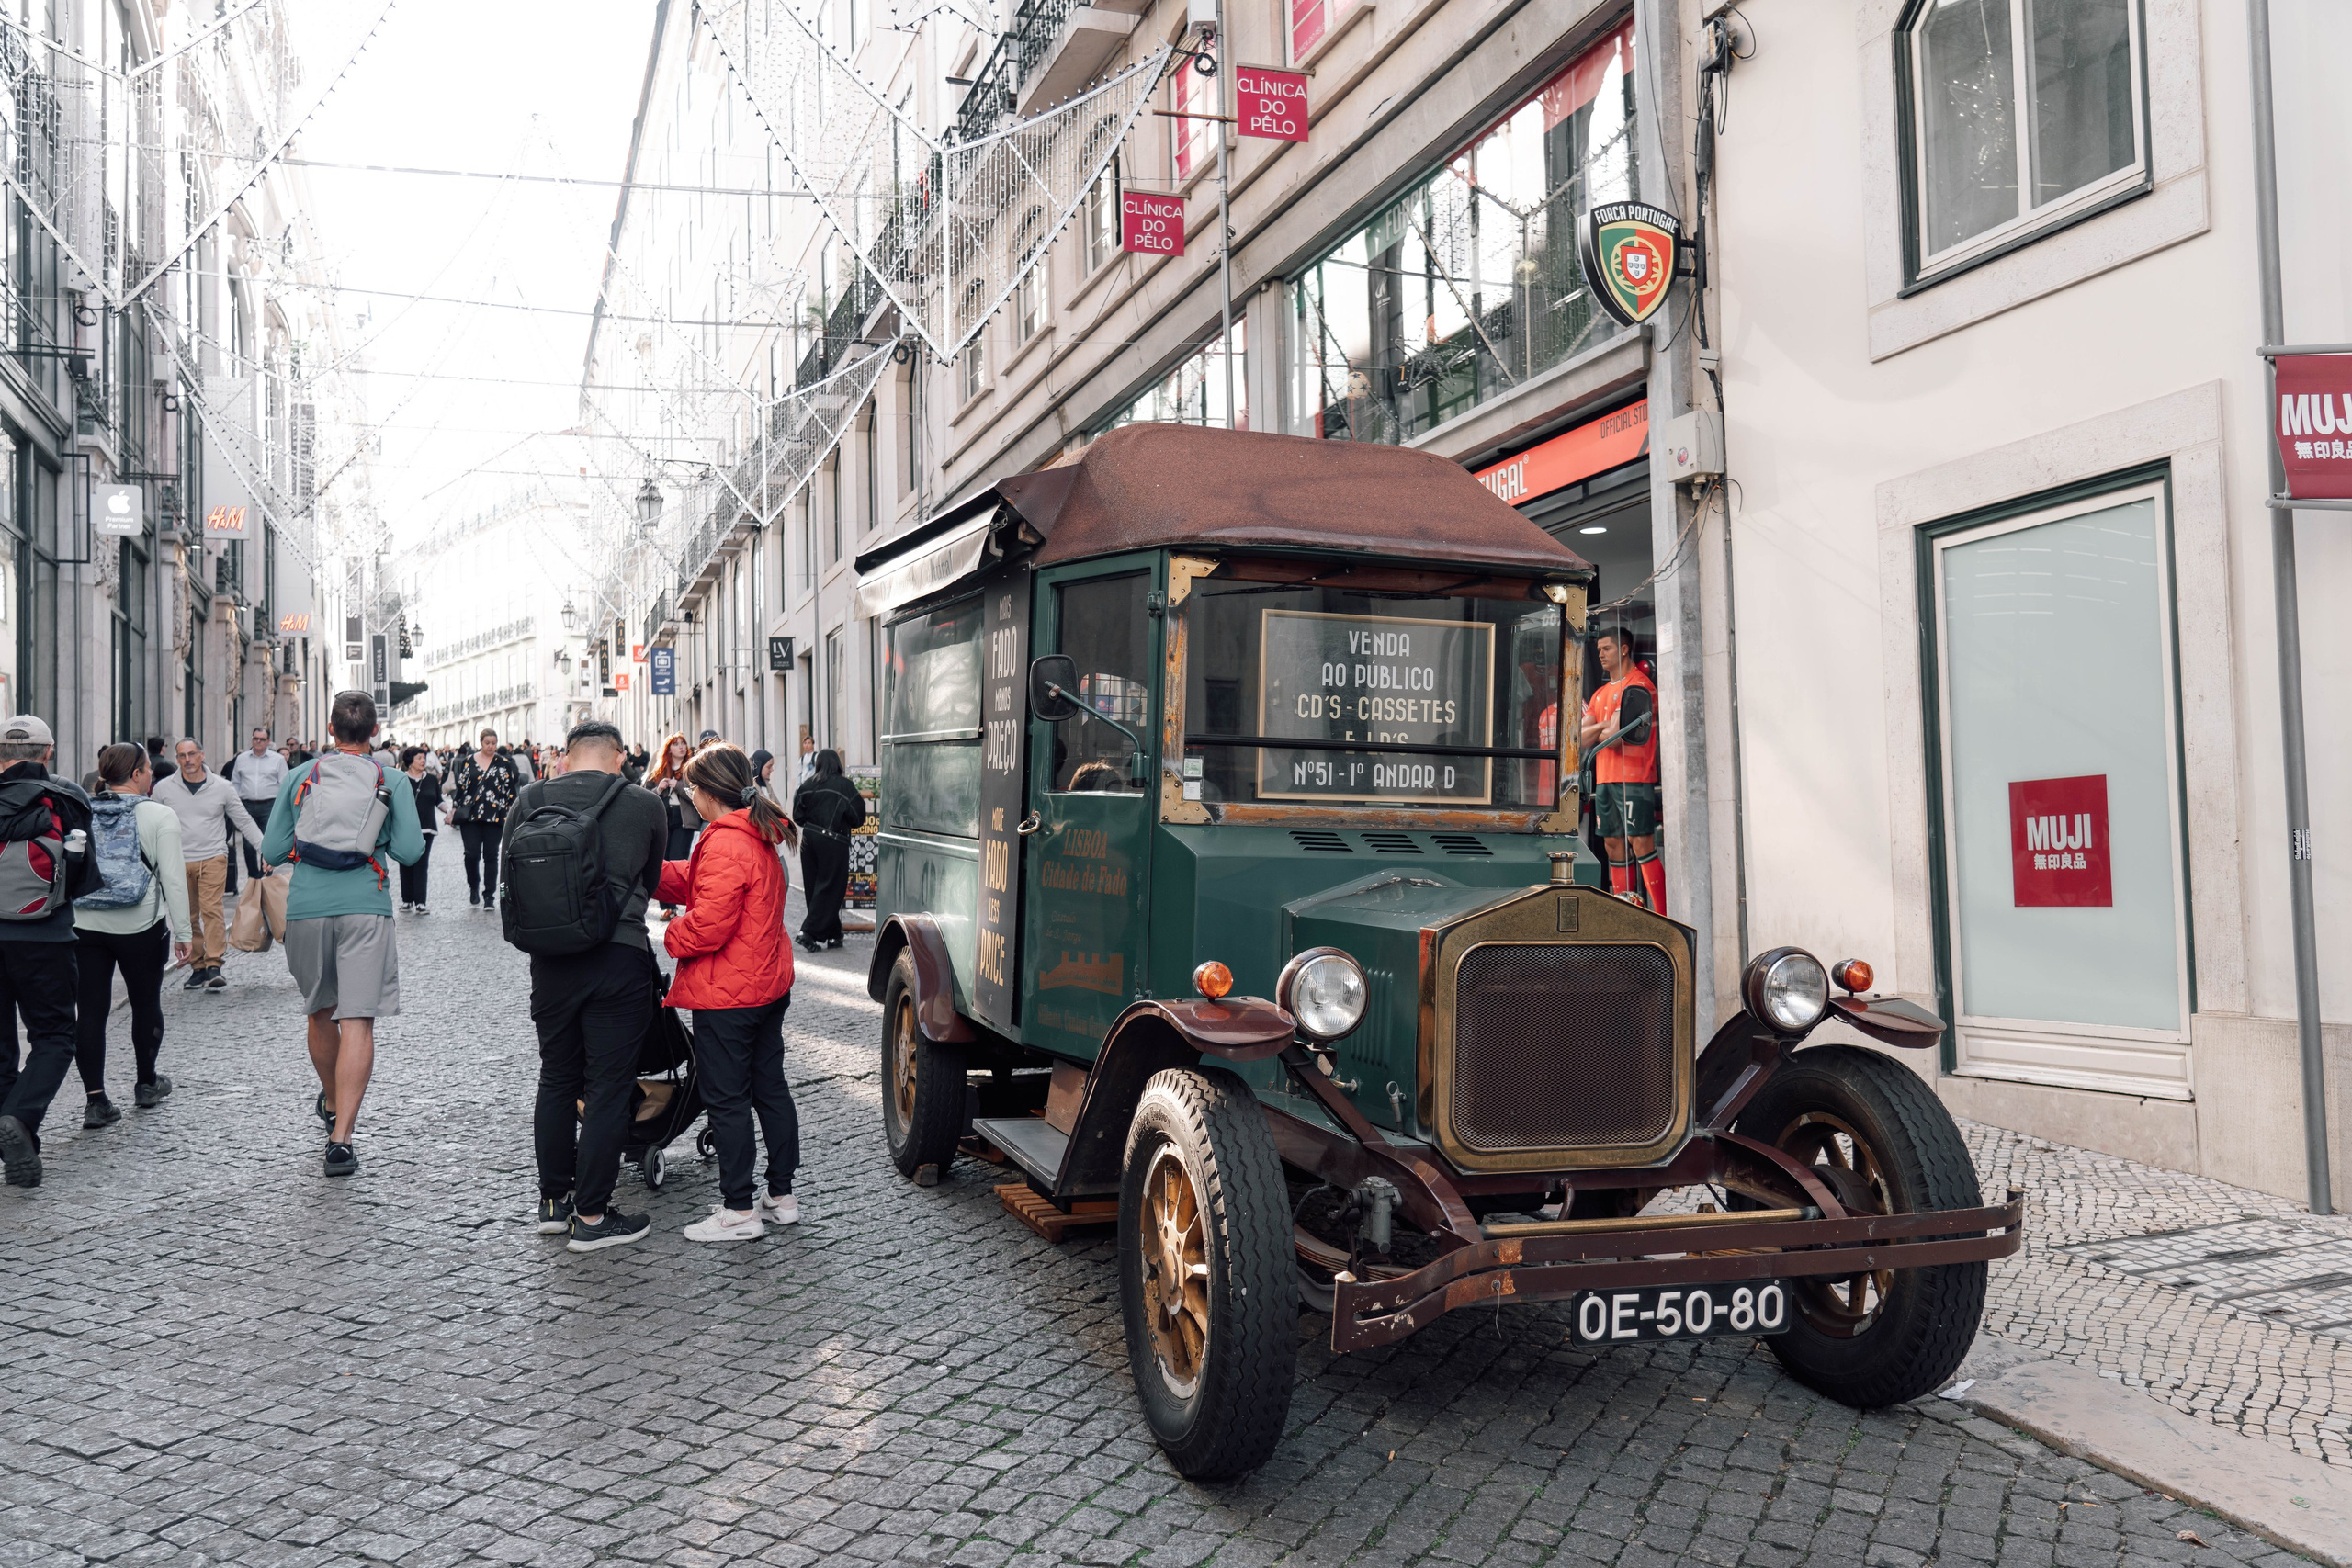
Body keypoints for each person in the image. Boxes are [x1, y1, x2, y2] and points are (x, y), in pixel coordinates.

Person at [506, 719, 669, 1253]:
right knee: (607, 1086)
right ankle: (594, 1216)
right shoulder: (644, 804)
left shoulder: (528, 800)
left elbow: (511, 880)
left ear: (567, 757)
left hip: (551, 962)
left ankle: (554, 1204)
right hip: (618, 956)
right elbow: (650, 879)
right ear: (619, 756)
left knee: (556, 1078)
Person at [263, 690, 425, 1178]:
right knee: (358, 1020)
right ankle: (341, 1141)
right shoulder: (392, 779)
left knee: (320, 1011)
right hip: (365, 906)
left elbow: (272, 849)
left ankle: (332, 1101)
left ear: (331, 729)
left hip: (307, 907)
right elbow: (410, 851)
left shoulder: (300, 776)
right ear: (375, 731)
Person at [658, 742, 799, 1241]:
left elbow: (708, 927)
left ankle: (739, 1211)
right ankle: (781, 1196)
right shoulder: (753, 831)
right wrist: (651, 874)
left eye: (691, 788)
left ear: (707, 792)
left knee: (728, 1099)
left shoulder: (724, 840)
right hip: (764, 985)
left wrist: (670, 933)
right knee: (769, 1089)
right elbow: (699, 881)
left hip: (729, 994)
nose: (689, 796)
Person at [0, 715, 98, 1188]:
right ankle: (19, 1121)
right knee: (55, 1035)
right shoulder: (66, 797)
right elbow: (83, 873)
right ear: (49, 752)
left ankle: (15, 1137)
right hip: (46, 935)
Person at [72, 743, 193, 1127]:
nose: (152, 774)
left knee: (90, 1011)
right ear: (137, 774)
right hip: (141, 925)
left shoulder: (81, 810)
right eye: (147, 769)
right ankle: (146, 1082)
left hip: (85, 923)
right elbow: (173, 878)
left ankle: (96, 1101)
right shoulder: (159, 814)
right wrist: (184, 931)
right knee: (145, 1003)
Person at [153, 737, 266, 991]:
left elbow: (244, 820)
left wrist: (265, 849)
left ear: (202, 755)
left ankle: (214, 964)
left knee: (212, 910)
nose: (188, 760)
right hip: (178, 860)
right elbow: (151, 821)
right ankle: (198, 966)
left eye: (192, 754)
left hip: (213, 856)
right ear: (177, 759)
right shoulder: (163, 789)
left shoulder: (222, 787)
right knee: (187, 915)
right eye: (182, 756)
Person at [1579, 626, 1664, 914]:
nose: (1601, 655)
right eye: (1599, 650)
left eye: (1607, 649)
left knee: (1641, 844)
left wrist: (1600, 728)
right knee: (1613, 845)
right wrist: (1605, 726)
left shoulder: (1638, 686)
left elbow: (1615, 738)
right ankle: (1625, 915)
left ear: (1624, 649)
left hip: (1634, 777)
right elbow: (1579, 738)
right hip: (1604, 778)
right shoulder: (1600, 693)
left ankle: (1663, 916)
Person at [792, 749, 865, 951]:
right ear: (837, 764)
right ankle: (808, 932)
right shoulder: (844, 786)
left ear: (818, 764)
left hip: (809, 839)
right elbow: (859, 816)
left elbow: (797, 815)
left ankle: (833, 933)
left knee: (815, 887)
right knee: (832, 887)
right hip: (834, 840)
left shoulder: (807, 785)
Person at [447, 726, 523, 908]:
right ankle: (473, 886)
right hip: (470, 817)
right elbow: (462, 788)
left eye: (493, 743)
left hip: (495, 816)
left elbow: (510, 791)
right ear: (481, 743)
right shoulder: (468, 761)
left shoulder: (504, 763)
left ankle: (489, 895)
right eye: (487, 743)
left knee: (491, 855)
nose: (490, 746)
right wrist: (454, 809)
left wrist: (512, 812)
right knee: (471, 854)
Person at [225, 727, 289, 887]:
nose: (258, 742)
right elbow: (235, 782)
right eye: (255, 738)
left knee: (267, 843)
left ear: (268, 741)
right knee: (248, 844)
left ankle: (266, 877)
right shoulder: (242, 759)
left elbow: (284, 783)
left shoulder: (278, 760)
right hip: (247, 804)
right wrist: (236, 802)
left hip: (270, 805)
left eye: (262, 739)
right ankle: (253, 877)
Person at [645, 733, 696, 915]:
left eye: (683, 744)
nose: (681, 747)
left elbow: (697, 795)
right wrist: (659, 789)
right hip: (663, 819)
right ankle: (666, 907)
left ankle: (675, 905)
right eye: (676, 744)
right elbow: (645, 794)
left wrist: (678, 785)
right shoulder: (659, 769)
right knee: (662, 861)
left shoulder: (692, 769)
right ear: (669, 749)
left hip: (684, 820)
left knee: (678, 860)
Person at [398, 747, 445, 913]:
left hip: (426, 829)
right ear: (410, 761)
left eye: (424, 757)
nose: (423, 761)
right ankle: (407, 900)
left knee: (421, 864)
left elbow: (439, 800)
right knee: (405, 862)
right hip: (405, 829)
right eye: (419, 758)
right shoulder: (401, 779)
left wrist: (449, 812)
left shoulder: (431, 779)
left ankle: (420, 902)